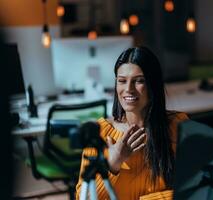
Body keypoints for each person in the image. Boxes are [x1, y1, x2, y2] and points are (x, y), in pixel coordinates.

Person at [75, 46, 189, 200]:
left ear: (152, 84)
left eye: (139, 81)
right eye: (122, 81)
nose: (128, 89)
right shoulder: (101, 132)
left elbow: (196, 187)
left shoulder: (178, 125)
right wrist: (113, 162)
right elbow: (84, 198)